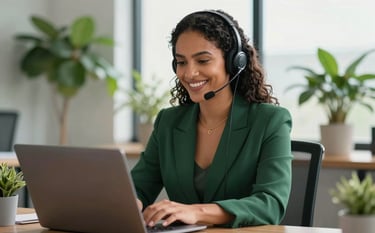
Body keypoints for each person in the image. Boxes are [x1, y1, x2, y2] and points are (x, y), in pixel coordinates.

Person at [131, 9, 292, 228]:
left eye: (203, 60)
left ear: (235, 62)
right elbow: (138, 187)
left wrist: (196, 212)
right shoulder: (168, 123)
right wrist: (129, 203)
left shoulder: (270, 121)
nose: (189, 73)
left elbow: (270, 204)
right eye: (181, 62)